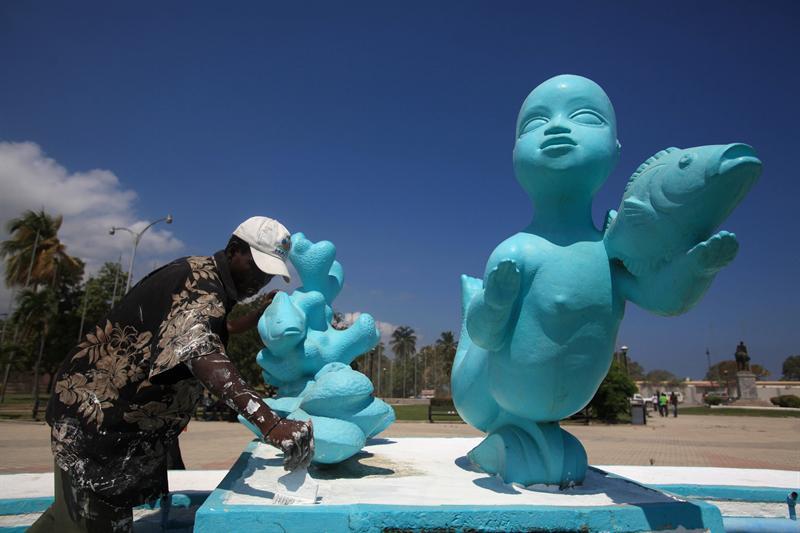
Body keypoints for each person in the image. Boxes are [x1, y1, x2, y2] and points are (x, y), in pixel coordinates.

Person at [30, 216, 314, 533]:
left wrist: (256, 313)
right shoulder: (196, 284)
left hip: (115, 423)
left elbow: (220, 330)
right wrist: (270, 422)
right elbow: (201, 351)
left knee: (68, 518)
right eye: (258, 267)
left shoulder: (213, 285)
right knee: (96, 517)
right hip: (96, 422)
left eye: (269, 273)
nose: (261, 279)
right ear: (234, 249)